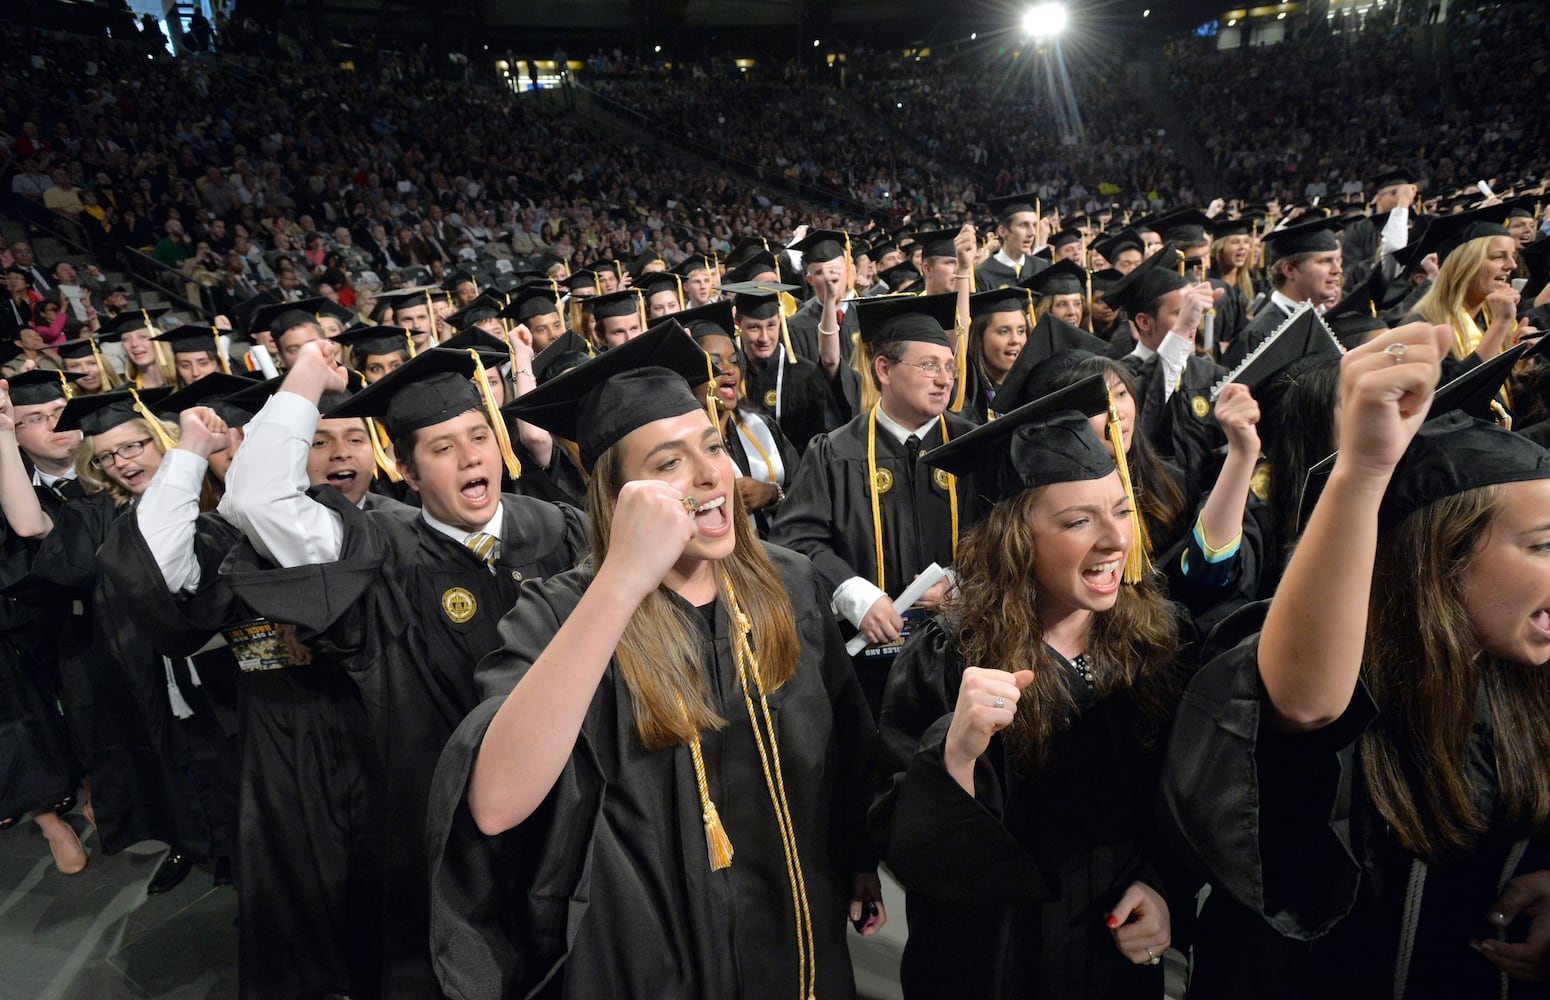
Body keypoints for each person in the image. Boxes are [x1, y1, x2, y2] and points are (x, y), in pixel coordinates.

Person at [428, 322, 882, 999]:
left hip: (791, 927)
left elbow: (846, 743)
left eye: (713, 446)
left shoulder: (787, 584)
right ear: (615, 497)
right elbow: (494, 804)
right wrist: (622, 581)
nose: (710, 476)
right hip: (645, 951)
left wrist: (857, 859)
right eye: (668, 464)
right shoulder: (558, 613)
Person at [1160, 322, 1550, 997]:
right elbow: (1306, 704)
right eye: (1543, 546)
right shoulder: (1344, 684)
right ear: (1443, 563)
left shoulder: (1527, 682)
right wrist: (1363, 473)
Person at [217, 342, 588, 995]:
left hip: (569, 814)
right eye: (442, 448)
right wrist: (306, 378)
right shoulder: (376, 556)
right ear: (405, 471)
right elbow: (256, 501)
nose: (471, 455)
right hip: (442, 833)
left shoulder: (555, 529)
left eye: (478, 436)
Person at [871, 373, 1185, 999]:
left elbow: (1181, 800)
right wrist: (955, 754)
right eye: (1077, 521)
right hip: (996, 961)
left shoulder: (1156, 641)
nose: (1116, 539)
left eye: (1121, 508)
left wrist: (1162, 884)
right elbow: (914, 851)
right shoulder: (947, 657)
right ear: (1018, 542)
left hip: (1112, 956)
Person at [772, 293, 978, 717]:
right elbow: (795, 540)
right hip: (867, 668)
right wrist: (852, 593)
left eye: (950, 368)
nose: (944, 380)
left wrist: (958, 582)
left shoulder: (973, 445)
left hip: (965, 651)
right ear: (883, 369)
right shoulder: (833, 452)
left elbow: (1001, 535)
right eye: (929, 366)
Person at [688, 311, 799, 538]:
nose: (729, 369)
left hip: (786, 550)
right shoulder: (683, 447)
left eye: (735, 361)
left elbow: (803, 490)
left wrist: (771, 494)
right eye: (715, 363)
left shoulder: (762, 426)